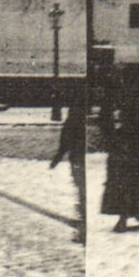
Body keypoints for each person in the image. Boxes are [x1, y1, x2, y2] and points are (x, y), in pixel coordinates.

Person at [100, 63, 139, 231]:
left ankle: (127, 217)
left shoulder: (133, 95)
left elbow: (134, 120)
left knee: (127, 181)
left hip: (132, 146)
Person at [50, 95, 87, 244]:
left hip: (77, 161)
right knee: (84, 194)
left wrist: (56, 160)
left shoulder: (71, 122)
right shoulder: (84, 121)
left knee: (82, 194)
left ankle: (83, 231)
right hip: (83, 161)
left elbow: (64, 143)